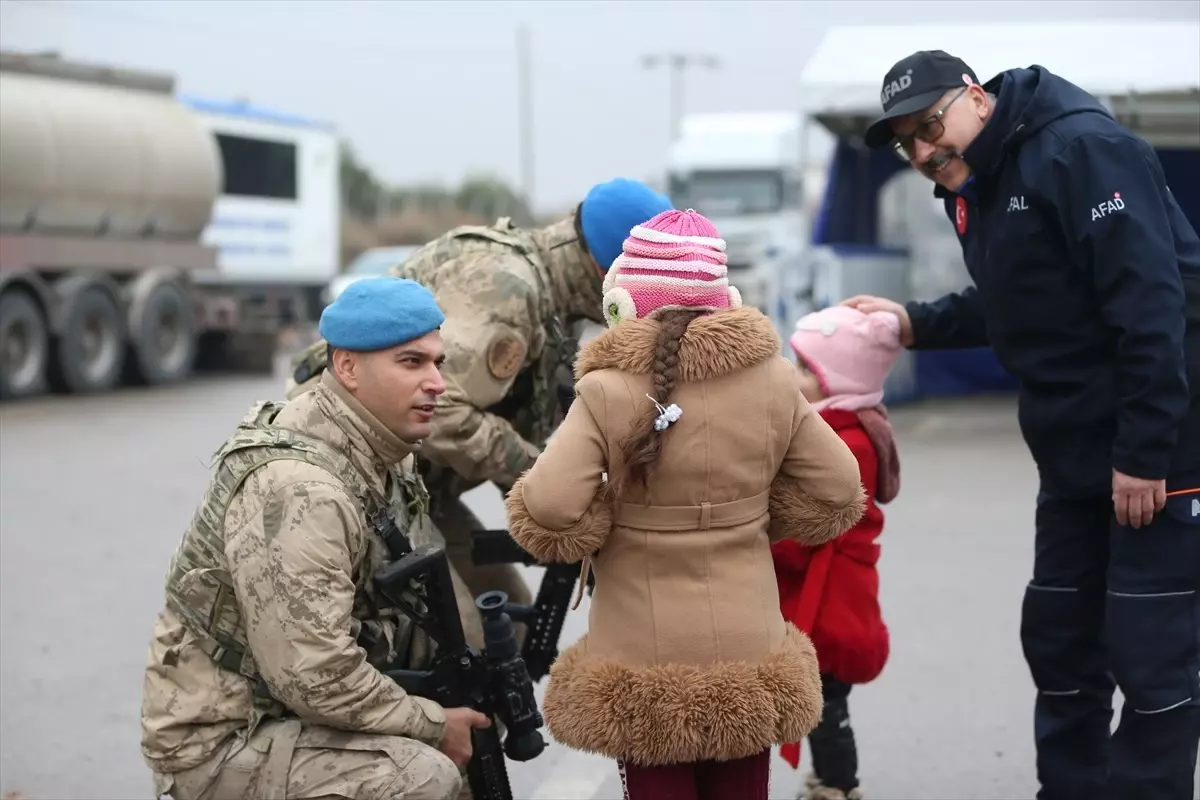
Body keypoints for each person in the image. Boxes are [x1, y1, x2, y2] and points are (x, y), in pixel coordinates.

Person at [848, 49, 1200, 800]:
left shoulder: (1081, 150)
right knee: (1061, 641)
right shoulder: (979, 178)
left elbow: (1152, 309)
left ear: (977, 98)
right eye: (907, 141)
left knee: (1151, 658)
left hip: (1162, 450)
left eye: (930, 126)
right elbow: (1022, 295)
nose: (921, 151)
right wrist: (914, 322)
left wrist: (1143, 453)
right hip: (1072, 458)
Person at [501, 208, 869, 800]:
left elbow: (547, 508)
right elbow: (838, 488)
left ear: (620, 304)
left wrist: (605, 522)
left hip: (641, 662)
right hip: (750, 650)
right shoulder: (774, 381)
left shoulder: (604, 391)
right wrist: (752, 519)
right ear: (727, 299)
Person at [141, 276, 491, 800]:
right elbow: (316, 674)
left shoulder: (382, 451)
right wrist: (435, 722)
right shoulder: (299, 491)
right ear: (347, 367)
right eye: (412, 362)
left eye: (437, 362)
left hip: (290, 707)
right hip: (224, 735)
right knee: (421, 775)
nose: (437, 382)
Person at [286, 178, 674, 648]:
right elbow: (445, 411)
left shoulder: (557, 303)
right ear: (602, 267)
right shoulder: (512, 288)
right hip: (349, 483)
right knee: (468, 645)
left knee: (509, 621)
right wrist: (545, 478)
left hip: (416, 489)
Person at [772, 306, 905, 800]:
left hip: (829, 592)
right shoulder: (846, 426)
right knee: (822, 696)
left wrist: (763, 541)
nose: (796, 377)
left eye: (808, 370)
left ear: (839, 382)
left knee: (826, 699)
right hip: (831, 585)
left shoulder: (845, 442)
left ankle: (839, 785)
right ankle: (830, 779)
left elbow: (809, 526)